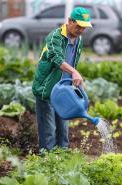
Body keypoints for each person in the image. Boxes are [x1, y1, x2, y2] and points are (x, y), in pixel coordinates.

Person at [32, 7, 92, 151]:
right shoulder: (55, 37)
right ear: (70, 21)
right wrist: (74, 72)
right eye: (78, 26)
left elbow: (72, 63)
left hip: (63, 90)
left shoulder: (79, 40)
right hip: (47, 89)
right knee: (48, 131)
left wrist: (75, 81)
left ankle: (62, 160)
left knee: (63, 130)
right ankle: (47, 162)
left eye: (84, 27)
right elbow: (56, 59)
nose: (81, 30)